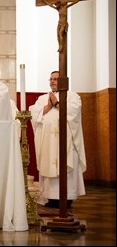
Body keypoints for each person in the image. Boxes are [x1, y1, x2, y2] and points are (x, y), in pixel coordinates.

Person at [29, 71, 86, 208]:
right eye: (51, 79)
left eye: (56, 79)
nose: (52, 81)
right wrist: (48, 106)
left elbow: (74, 112)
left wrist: (57, 103)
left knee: (65, 165)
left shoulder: (73, 96)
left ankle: (67, 198)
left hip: (66, 142)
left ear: (64, 82)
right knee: (48, 163)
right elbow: (33, 113)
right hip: (48, 141)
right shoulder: (43, 98)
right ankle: (50, 197)